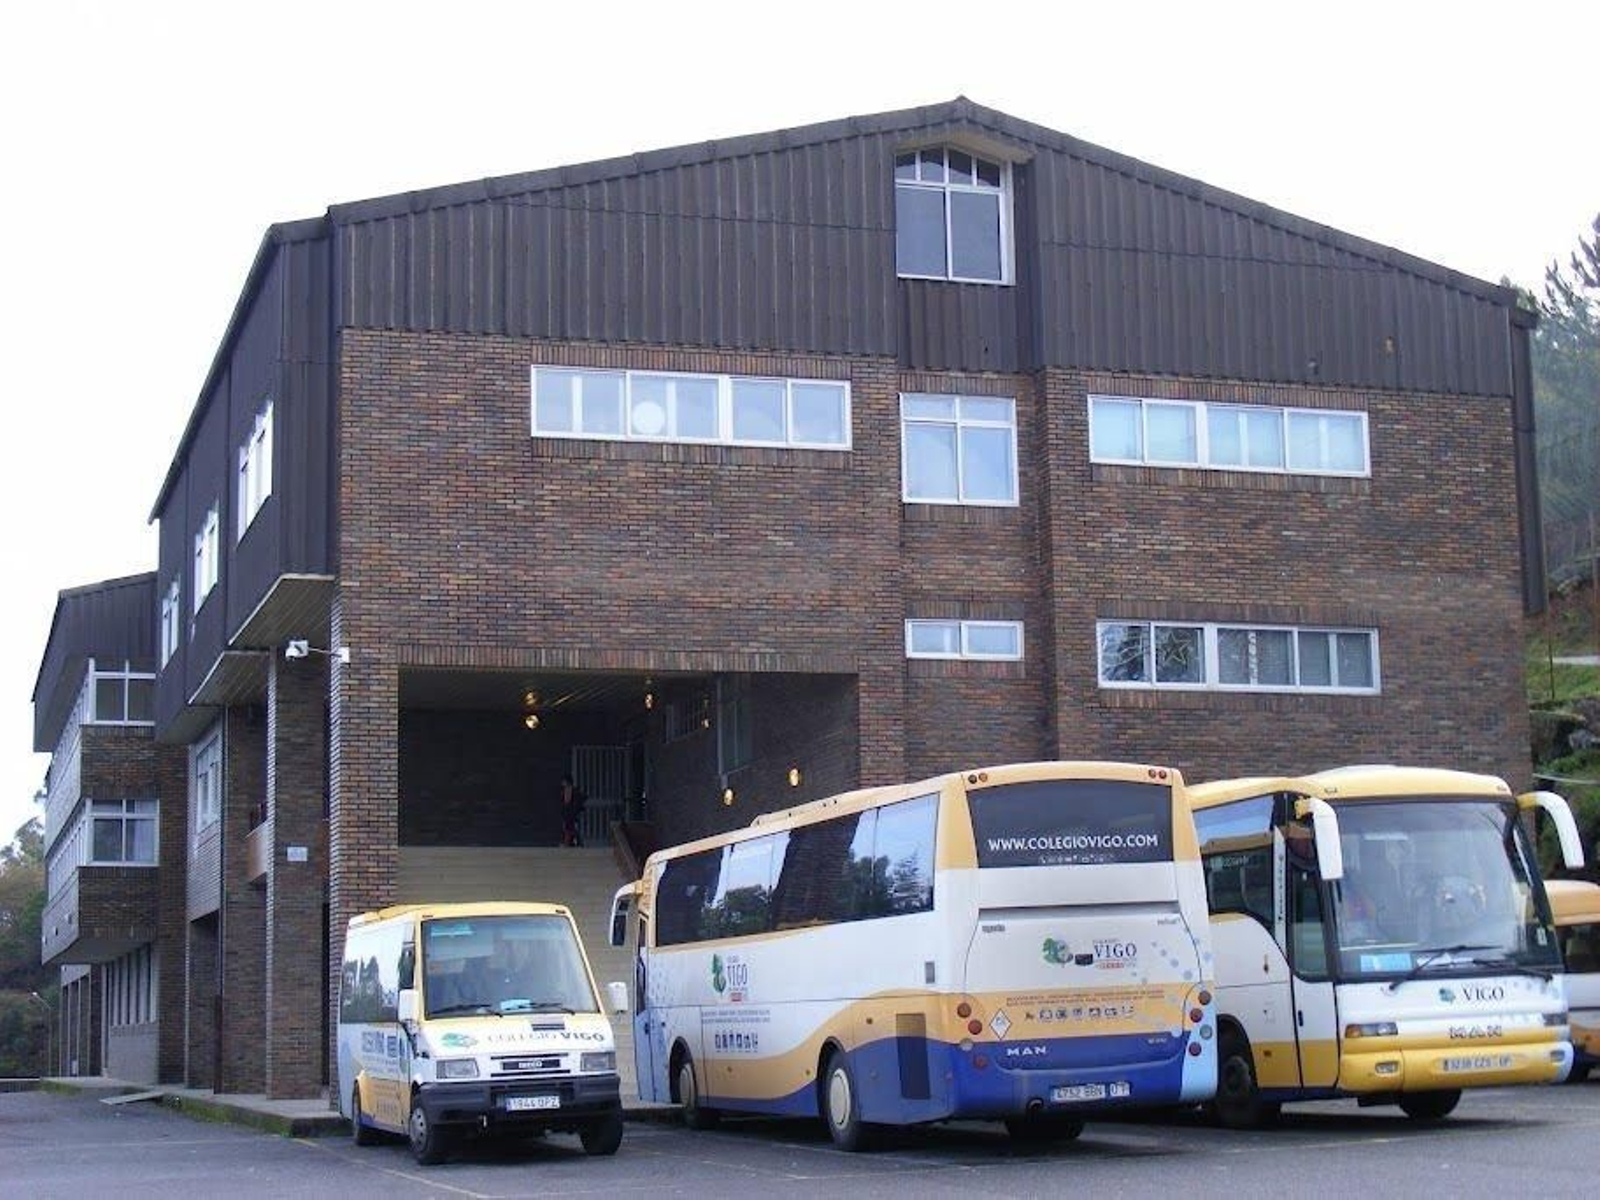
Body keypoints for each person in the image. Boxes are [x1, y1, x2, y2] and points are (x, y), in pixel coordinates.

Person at [559, 774, 587, 847]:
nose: (563, 783)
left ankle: (569, 843)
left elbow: (580, 799)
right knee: (569, 829)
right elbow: (564, 802)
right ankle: (571, 843)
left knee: (569, 829)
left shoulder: (574, 791)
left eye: (564, 781)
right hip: (567, 813)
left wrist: (578, 809)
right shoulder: (564, 791)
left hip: (571, 814)